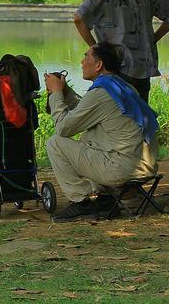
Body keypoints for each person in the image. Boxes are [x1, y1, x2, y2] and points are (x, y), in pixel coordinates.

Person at [44, 42, 159, 223]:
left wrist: (56, 94)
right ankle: (106, 201)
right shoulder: (122, 87)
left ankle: (81, 202)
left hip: (122, 170)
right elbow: (89, 111)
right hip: (144, 167)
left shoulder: (101, 93)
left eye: (86, 57)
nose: (82, 62)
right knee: (92, 135)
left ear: (99, 65)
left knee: (55, 142)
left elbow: (64, 128)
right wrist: (66, 92)